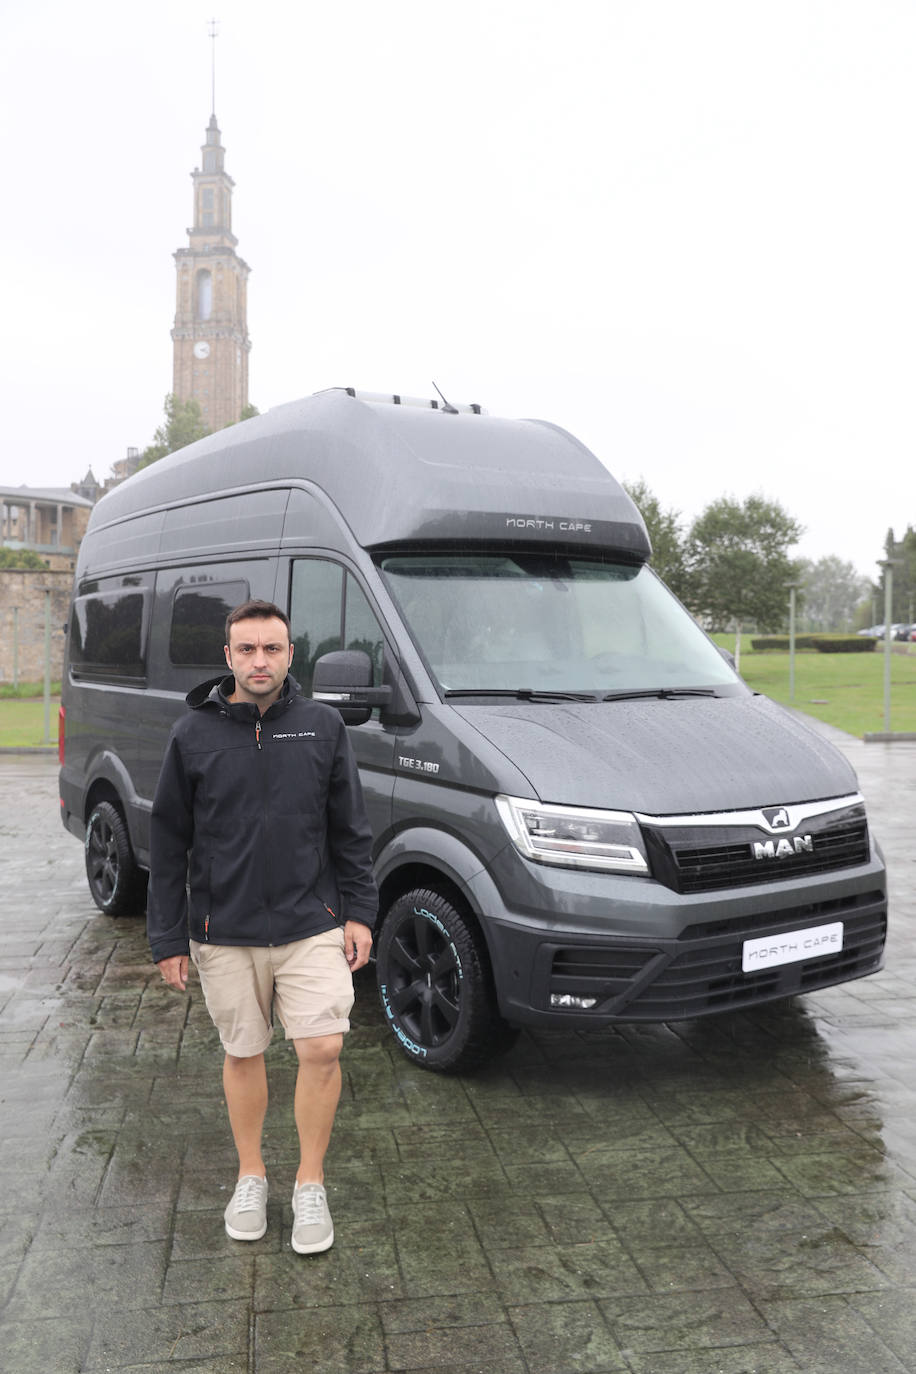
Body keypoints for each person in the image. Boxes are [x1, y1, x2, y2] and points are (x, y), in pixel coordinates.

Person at [147, 598, 377, 1254]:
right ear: (228, 657)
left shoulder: (323, 727)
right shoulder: (191, 734)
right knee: (243, 1052)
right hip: (224, 929)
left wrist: (360, 910)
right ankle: (251, 1174)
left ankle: (309, 1183)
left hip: (312, 921)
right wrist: (168, 936)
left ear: (289, 654)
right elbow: (168, 842)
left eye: (271, 648)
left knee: (322, 1048)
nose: (258, 660)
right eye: (246, 649)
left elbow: (351, 830)